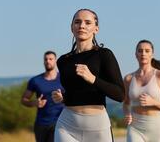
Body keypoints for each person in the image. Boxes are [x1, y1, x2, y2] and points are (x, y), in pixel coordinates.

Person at [52, 9, 125, 142]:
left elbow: (119, 95)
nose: (82, 26)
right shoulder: (63, 61)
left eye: (88, 22)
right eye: (77, 22)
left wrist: (93, 79)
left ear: (96, 29)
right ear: (71, 28)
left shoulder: (104, 55)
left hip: (97, 127)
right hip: (67, 125)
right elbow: (76, 92)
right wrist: (62, 97)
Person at [123, 39, 160, 142]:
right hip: (135, 127)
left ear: (152, 54)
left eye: (147, 51)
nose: (143, 54)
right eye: (140, 51)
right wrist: (127, 113)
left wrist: (153, 102)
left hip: (156, 127)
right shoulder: (128, 78)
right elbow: (126, 103)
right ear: (135, 54)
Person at [21, 51, 64, 142]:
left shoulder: (63, 78)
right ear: (43, 62)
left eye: (50, 59)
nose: (48, 61)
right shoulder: (35, 80)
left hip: (60, 122)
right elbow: (24, 100)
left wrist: (63, 98)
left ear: (55, 61)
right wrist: (34, 103)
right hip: (41, 124)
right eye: (46, 59)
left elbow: (74, 96)